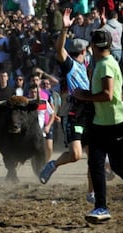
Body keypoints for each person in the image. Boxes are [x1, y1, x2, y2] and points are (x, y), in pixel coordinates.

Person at [74, 28, 123, 224]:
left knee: (116, 164)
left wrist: (83, 95)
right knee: (96, 164)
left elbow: (107, 94)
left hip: (114, 123)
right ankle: (101, 207)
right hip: (102, 123)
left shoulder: (104, 65)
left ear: (93, 47)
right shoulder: (109, 62)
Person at [39, 8, 91, 184]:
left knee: (95, 157)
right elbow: (59, 50)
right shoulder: (70, 65)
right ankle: (52, 165)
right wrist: (64, 30)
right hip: (73, 114)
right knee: (75, 155)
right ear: (82, 52)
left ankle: (93, 193)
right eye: (86, 50)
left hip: (88, 112)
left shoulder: (85, 65)